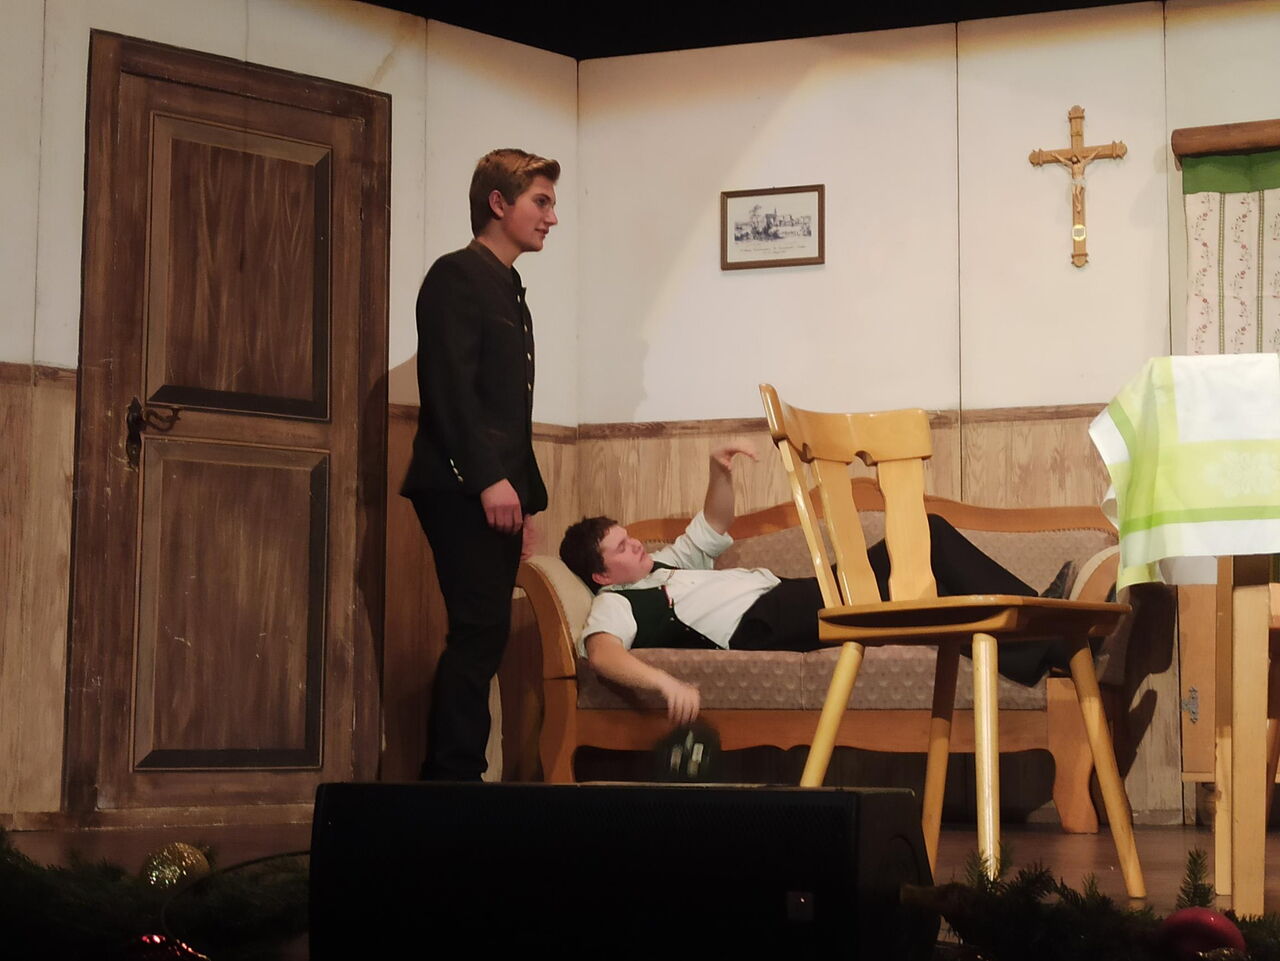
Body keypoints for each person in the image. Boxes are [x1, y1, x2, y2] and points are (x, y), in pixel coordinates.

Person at [558, 445, 1073, 724]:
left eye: (629, 537)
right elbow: (602, 655)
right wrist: (666, 683)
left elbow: (714, 522)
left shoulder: (667, 563)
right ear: (601, 575)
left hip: (790, 595)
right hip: (765, 622)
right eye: (621, 548)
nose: (636, 545)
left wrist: (720, 470)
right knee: (926, 549)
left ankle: (1043, 644)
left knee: (923, 564)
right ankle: (1046, 622)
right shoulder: (615, 603)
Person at [401, 148, 560, 780]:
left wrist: (522, 498)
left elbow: (505, 412)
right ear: (499, 202)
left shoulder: (506, 286)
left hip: (489, 486)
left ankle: (456, 777)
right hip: (459, 484)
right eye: (540, 202)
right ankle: (452, 780)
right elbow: (450, 391)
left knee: (484, 631)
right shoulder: (457, 275)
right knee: (478, 631)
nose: (551, 217)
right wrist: (489, 479)